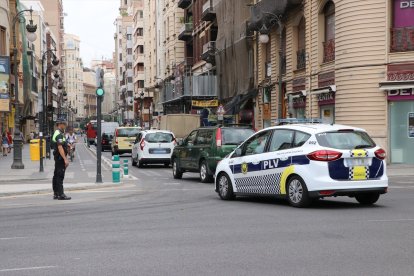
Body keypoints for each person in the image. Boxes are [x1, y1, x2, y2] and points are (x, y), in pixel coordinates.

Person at [52, 119, 71, 200]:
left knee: (56, 175)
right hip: (60, 158)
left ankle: (56, 193)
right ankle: (61, 194)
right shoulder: (59, 134)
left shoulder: (58, 133)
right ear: (60, 124)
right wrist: (65, 159)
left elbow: (61, 145)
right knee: (60, 176)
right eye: (64, 124)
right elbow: (60, 147)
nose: (65, 125)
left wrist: (67, 145)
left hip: (57, 158)